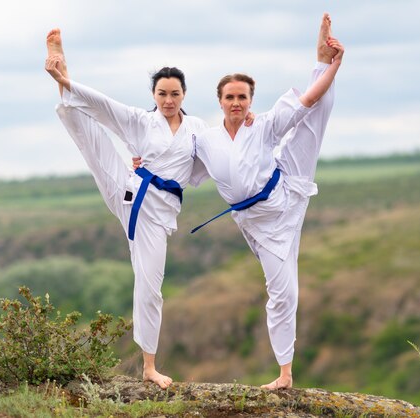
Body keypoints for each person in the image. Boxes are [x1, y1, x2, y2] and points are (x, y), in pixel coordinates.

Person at [44, 29, 251, 389]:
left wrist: (245, 122)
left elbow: (221, 152)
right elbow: (106, 106)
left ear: (184, 95)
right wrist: (65, 79)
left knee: (151, 286)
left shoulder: (197, 130)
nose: (168, 100)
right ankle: (62, 73)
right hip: (130, 190)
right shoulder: (142, 120)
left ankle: (147, 365)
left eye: (174, 94)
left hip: (159, 213)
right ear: (153, 95)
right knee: (91, 137)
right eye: (161, 93)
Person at [189, 13, 344, 390]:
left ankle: (319, 57)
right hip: (261, 222)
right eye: (230, 97)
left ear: (250, 99)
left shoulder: (263, 125)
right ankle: (285, 371)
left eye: (243, 97)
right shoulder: (205, 141)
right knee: (283, 292)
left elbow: (308, 98)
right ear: (220, 101)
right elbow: (173, 161)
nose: (237, 102)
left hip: (287, 184)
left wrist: (333, 65)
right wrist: (139, 160)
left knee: (314, 114)